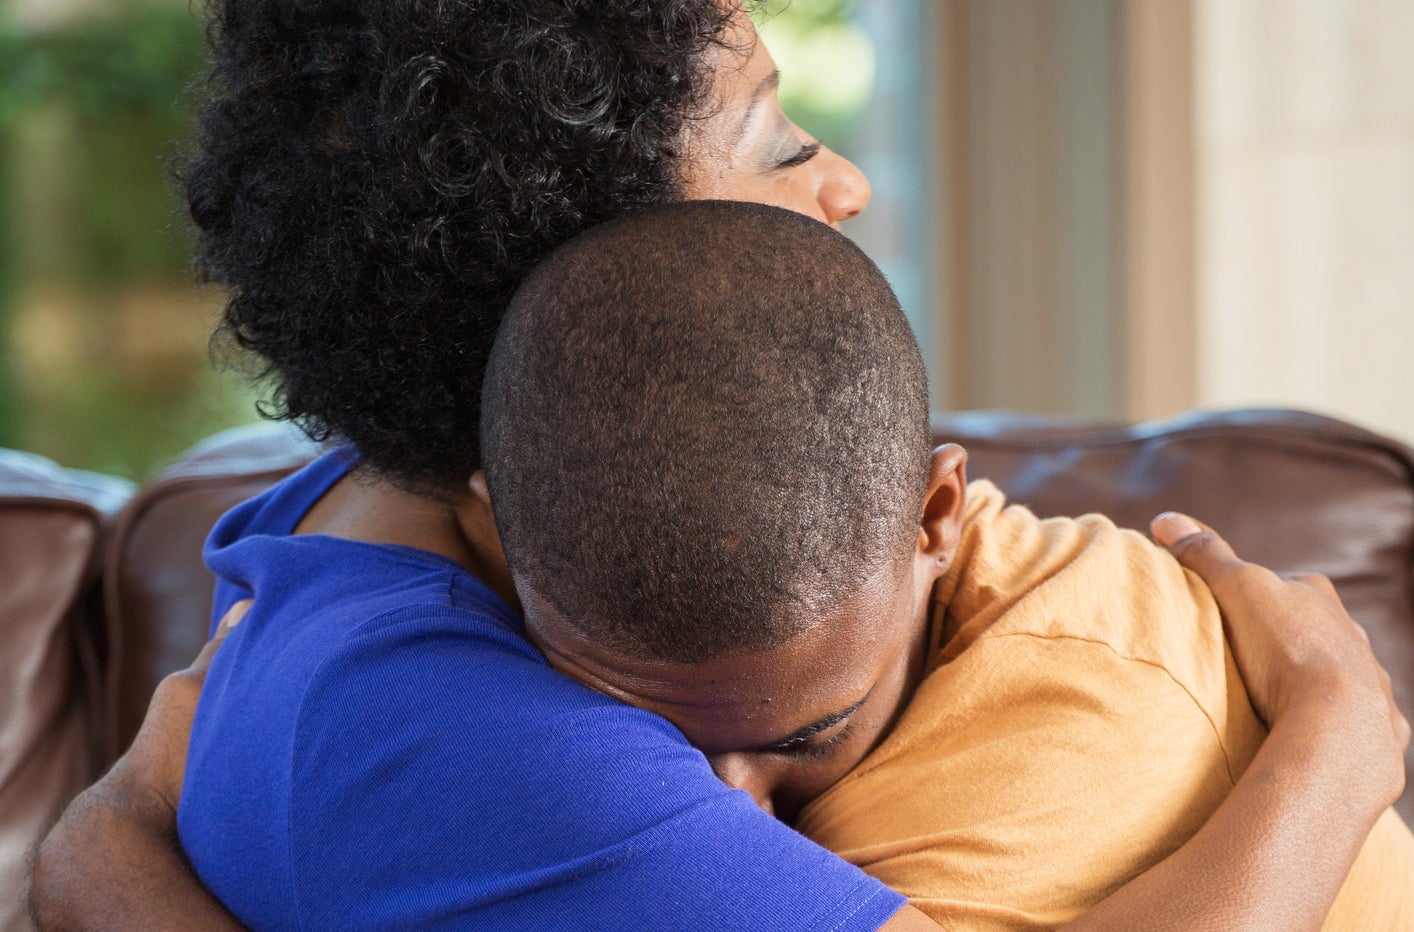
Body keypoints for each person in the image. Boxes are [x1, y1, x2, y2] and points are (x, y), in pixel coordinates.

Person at [26, 2, 1409, 929]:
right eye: (768, 134)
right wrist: (1339, 735)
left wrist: (109, 839)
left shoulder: (361, 505)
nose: (844, 181)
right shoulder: (511, 758)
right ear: (592, 258)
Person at [474, 200, 1414, 927]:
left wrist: (1343, 745)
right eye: (654, 740)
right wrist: (1341, 737)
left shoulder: (1069, 746)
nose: (730, 816)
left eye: (807, 737)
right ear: (493, 523)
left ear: (934, 519)